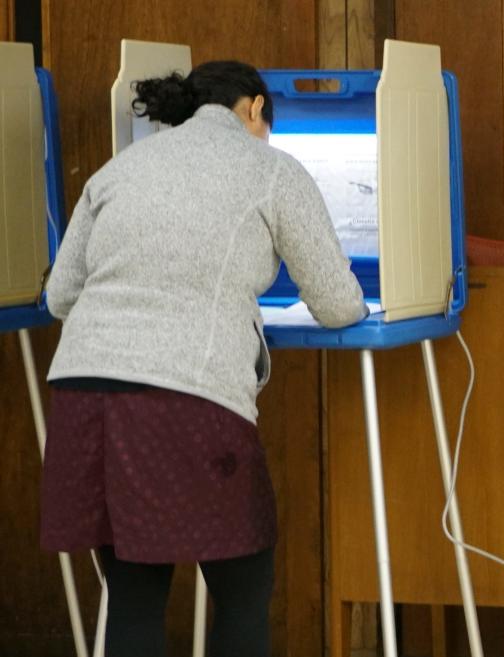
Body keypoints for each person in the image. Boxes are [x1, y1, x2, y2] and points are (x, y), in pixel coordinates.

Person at [40, 60, 367, 657]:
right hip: (186, 398)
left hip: (84, 396)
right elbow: (339, 304)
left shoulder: (121, 168)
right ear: (253, 109)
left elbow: (60, 296)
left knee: (134, 597)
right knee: (243, 588)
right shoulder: (271, 169)